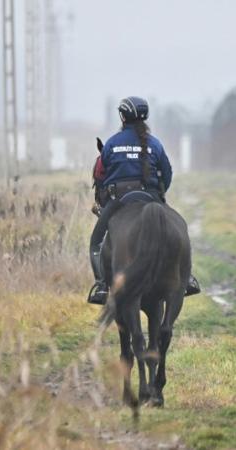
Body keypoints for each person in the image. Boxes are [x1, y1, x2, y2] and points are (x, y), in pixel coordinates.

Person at [87, 96, 200, 305]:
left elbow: (100, 176)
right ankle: (187, 278)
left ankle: (102, 286)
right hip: (151, 198)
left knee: (96, 241)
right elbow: (167, 174)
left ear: (123, 116)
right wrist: (159, 194)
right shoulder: (155, 144)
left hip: (119, 202)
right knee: (180, 229)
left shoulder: (111, 144)